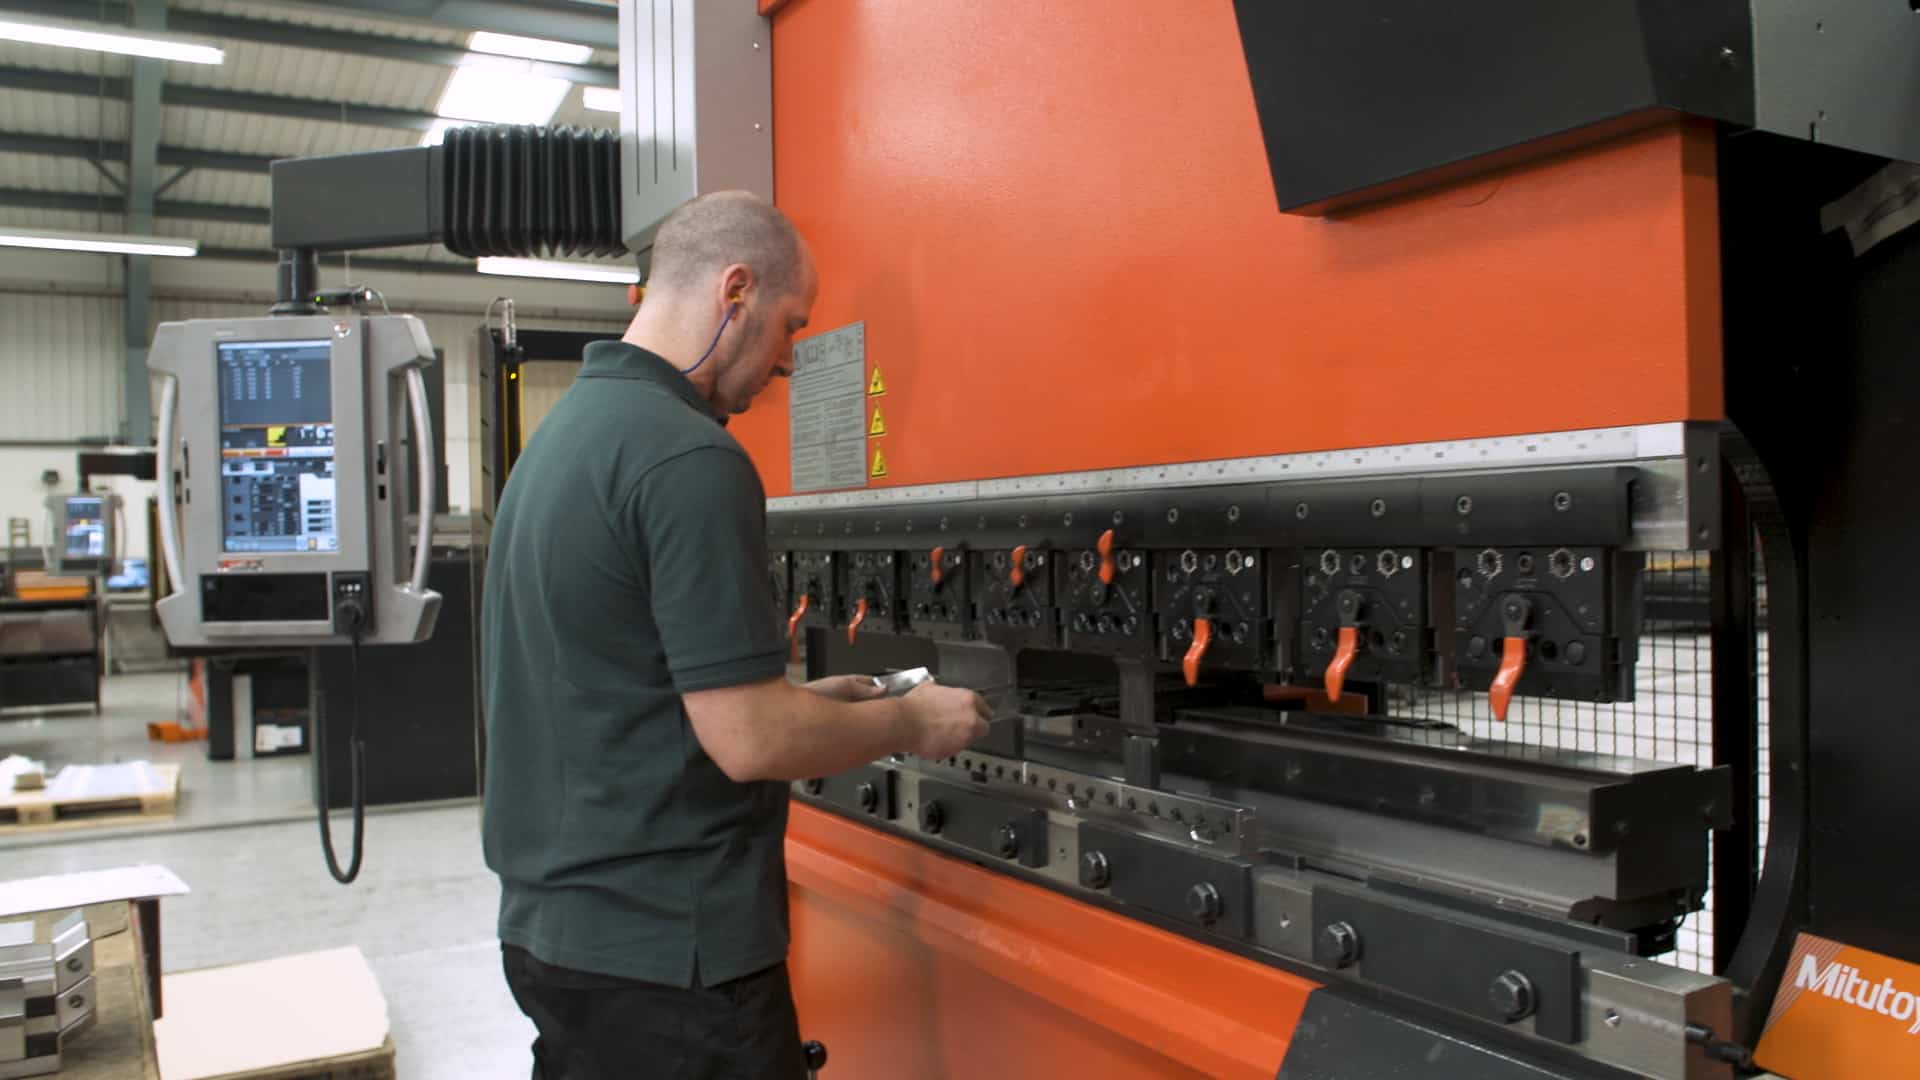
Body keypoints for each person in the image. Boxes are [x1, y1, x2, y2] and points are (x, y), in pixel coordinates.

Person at [479, 191, 991, 1078]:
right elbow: (750, 741)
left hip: (557, 942)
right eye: (792, 326)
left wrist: (810, 703)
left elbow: (620, 688)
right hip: (673, 957)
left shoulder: (563, 439)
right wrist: (917, 723)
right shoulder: (691, 457)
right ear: (736, 291)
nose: (790, 361)